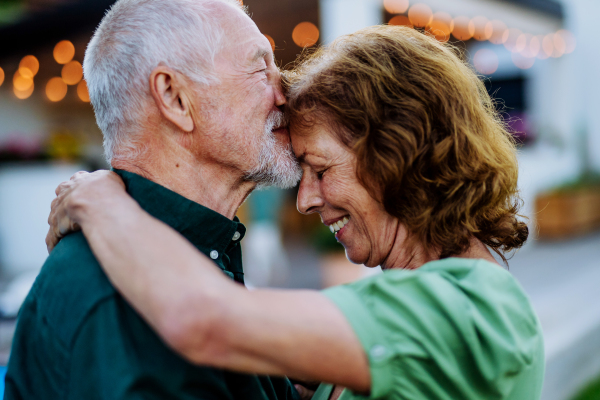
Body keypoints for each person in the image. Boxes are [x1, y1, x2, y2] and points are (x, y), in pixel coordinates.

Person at [46, 26, 545, 400]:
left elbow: (201, 319)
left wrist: (104, 201)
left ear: (400, 157)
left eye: (321, 170)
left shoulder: (468, 310)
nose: (304, 200)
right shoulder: (410, 299)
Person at [4, 0, 302, 399]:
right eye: (260, 68)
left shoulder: (189, 256)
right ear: (175, 97)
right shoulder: (122, 297)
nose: (286, 93)